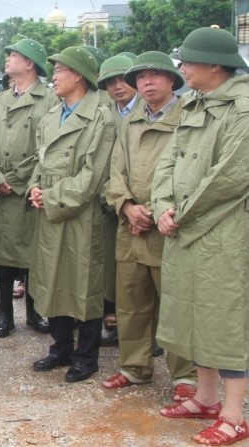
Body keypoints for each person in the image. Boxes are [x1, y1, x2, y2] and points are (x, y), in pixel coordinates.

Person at [152, 26, 249, 446]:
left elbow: (230, 176)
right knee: (192, 316)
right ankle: (206, 399)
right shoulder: (194, 103)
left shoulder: (242, 108)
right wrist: (161, 207)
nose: (182, 68)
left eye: (189, 62)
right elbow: (167, 163)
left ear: (215, 65)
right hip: (184, 230)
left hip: (223, 231)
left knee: (224, 318)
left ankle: (234, 414)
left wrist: (181, 215)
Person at [102, 51, 197, 399]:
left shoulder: (188, 116)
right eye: (141, 77)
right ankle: (135, 367)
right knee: (130, 301)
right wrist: (126, 206)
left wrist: (155, 211)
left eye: (156, 75)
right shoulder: (131, 120)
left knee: (174, 303)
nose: (147, 82)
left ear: (173, 79)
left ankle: (185, 377)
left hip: (168, 228)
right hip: (131, 229)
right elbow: (116, 170)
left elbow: (188, 171)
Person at [27, 46, 116, 383]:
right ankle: (61, 348)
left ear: (78, 74)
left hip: (81, 215)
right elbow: (40, 159)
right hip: (48, 210)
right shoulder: (53, 114)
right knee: (52, 280)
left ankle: (86, 357)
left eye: (60, 70)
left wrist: (50, 196)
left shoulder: (101, 118)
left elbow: (93, 177)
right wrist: (35, 188)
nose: (55, 76)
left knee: (84, 284)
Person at [0, 39, 57, 338]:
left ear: (30, 63)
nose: (8, 59)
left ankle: (35, 314)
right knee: (2, 257)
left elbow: (47, 147)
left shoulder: (49, 100)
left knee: (32, 256)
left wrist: (23, 180)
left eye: (14, 55)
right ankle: (4, 317)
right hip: (3, 192)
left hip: (29, 190)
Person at [95, 54, 138, 347]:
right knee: (117, 270)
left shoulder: (149, 110)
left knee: (144, 275)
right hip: (111, 200)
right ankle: (120, 325)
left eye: (122, 79)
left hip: (144, 202)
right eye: (110, 82)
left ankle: (147, 335)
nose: (117, 87)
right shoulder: (106, 112)